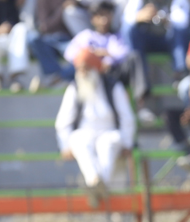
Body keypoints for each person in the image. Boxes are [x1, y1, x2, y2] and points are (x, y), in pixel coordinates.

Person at [55, 47, 137, 205]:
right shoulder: (74, 87)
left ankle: (96, 186)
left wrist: (127, 143)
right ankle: (96, 182)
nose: (83, 73)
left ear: (95, 69)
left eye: (86, 68)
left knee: (107, 144)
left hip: (109, 131)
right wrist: (65, 146)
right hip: (84, 132)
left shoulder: (113, 86)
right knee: (78, 141)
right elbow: (63, 121)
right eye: (79, 69)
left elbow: (127, 117)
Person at [63, 1, 148, 100]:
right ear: (92, 19)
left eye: (107, 14)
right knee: (76, 69)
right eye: (100, 15)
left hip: (112, 74)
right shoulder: (86, 35)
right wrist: (92, 55)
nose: (104, 20)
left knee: (135, 57)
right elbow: (69, 54)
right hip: (91, 73)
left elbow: (122, 53)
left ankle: (142, 99)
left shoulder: (116, 36)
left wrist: (107, 58)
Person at [120, 0, 190, 75]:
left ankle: (181, 73)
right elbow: (125, 19)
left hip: (168, 40)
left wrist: (165, 19)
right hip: (145, 41)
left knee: (179, 30)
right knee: (128, 28)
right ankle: (137, 75)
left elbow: (183, 22)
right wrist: (138, 17)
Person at [28, 0, 75, 91]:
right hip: (48, 39)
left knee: (82, 55)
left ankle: (56, 79)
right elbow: (45, 26)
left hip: (69, 40)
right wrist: (62, 8)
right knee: (32, 38)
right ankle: (59, 77)